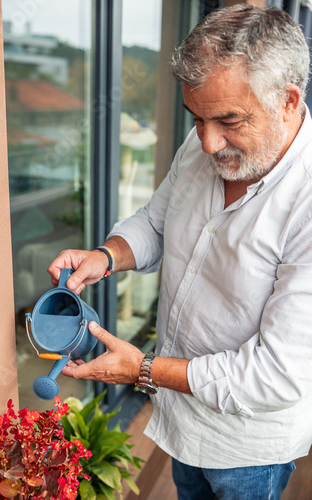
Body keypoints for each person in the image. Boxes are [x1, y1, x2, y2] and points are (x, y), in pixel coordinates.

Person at [48, 5, 312, 499]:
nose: (208, 143)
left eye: (228, 120)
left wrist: (142, 370)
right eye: (197, 119)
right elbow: (156, 222)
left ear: (287, 101)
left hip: (246, 446)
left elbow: (277, 374)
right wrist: (106, 256)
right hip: (179, 413)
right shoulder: (203, 143)